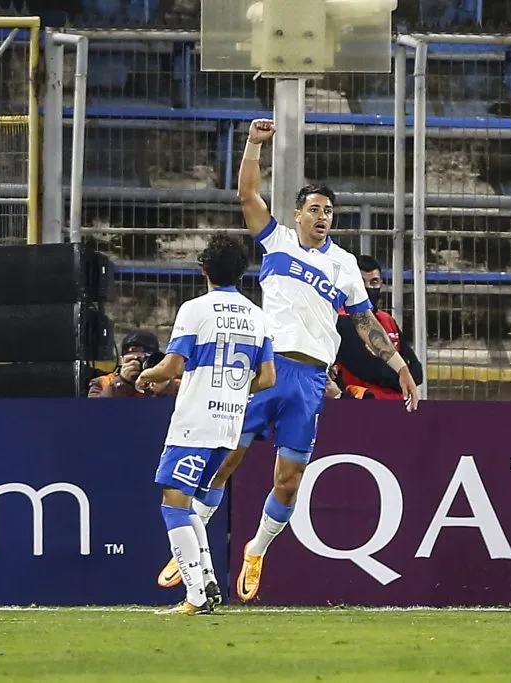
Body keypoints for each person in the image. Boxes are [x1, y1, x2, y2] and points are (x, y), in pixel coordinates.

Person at [156, 118, 421, 602]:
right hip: (265, 370)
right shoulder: (276, 240)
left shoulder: (343, 266)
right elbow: (246, 197)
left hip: (310, 379)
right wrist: (254, 145)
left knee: (289, 477)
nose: (323, 217)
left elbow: (366, 325)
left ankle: (255, 550)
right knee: (226, 459)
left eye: (329, 212)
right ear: (297, 213)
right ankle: (189, 550)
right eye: (315, 209)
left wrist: (400, 366)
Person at [142, 233, 276, 616]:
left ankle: (195, 596)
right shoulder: (258, 316)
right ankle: (209, 583)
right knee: (192, 503)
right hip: (229, 425)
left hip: (194, 421)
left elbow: (171, 368)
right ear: (241, 273)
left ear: (204, 269)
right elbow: (267, 378)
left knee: (173, 502)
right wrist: (235, 394)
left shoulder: (194, 310)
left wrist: (143, 377)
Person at [334, 254, 424, 399]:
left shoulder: (387, 320)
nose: (369, 287)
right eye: (362, 282)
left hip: (396, 406)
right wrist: (402, 374)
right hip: (362, 406)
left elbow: (417, 371)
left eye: (374, 282)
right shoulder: (341, 321)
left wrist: (405, 373)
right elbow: (368, 368)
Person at [87, 330, 176, 398]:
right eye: (131, 361)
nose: (138, 366)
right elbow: (94, 412)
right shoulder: (102, 383)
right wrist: (121, 382)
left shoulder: (171, 382)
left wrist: (165, 387)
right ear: (122, 361)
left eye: (143, 360)